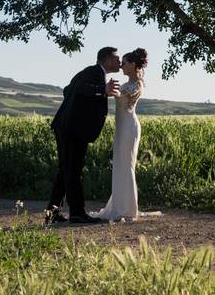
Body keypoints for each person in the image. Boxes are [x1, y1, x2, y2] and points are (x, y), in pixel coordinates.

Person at [45, 46, 120, 224]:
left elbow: (68, 90)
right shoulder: (93, 72)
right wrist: (103, 90)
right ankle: (77, 213)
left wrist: (101, 91)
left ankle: (52, 213)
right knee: (73, 171)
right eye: (117, 59)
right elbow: (80, 89)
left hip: (69, 128)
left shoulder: (93, 74)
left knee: (65, 171)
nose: (119, 62)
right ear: (107, 60)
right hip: (73, 129)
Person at [91, 47, 160, 222]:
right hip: (122, 127)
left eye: (124, 62)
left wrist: (103, 88)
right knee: (121, 165)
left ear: (133, 65)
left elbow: (116, 94)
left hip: (129, 127)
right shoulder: (128, 84)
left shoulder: (135, 85)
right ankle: (121, 204)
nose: (121, 65)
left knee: (127, 166)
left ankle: (128, 209)